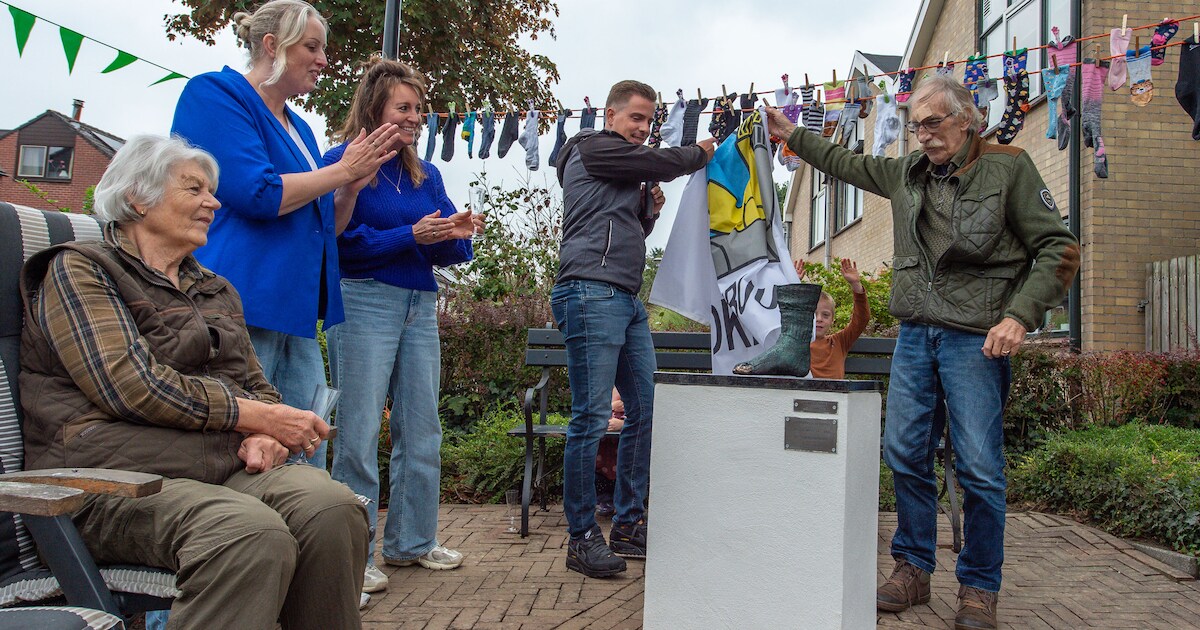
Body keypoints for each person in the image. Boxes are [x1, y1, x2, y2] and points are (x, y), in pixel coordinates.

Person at [765, 73, 1080, 629]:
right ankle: (913, 568)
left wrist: (1019, 316)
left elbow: (1058, 246)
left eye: (933, 123)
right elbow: (845, 164)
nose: (924, 136)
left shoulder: (1010, 168)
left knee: (980, 469)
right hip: (915, 335)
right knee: (904, 453)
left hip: (975, 339)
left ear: (968, 119)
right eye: (916, 126)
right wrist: (792, 132)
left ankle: (979, 589)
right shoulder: (906, 173)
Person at [18, 134, 369, 629]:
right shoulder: (80, 270)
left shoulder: (213, 287)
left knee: (331, 508)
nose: (214, 202)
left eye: (212, 190)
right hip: (107, 482)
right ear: (138, 198)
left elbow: (257, 386)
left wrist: (268, 432)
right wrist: (256, 417)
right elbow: (129, 383)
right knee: (246, 533)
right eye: (194, 188)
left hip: (215, 471)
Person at [170, 0, 401, 468]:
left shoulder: (301, 131)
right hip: (239, 308)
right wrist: (340, 172)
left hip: (294, 317)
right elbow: (258, 193)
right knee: (236, 452)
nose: (323, 59)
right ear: (272, 46)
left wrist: (349, 190)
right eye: (312, 47)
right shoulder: (216, 95)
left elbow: (324, 229)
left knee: (308, 449)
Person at [323, 57, 482, 594]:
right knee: (360, 430)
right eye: (404, 107)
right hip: (363, 300)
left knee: (422, 428)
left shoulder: (425, 173)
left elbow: (446, 248)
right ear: (375, 109)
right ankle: (354, 555)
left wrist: (457, 233)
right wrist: (411, 236)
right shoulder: (340, 164)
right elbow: (341, 246)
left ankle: (412, 542)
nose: (416, 117)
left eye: (419, 108)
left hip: (419, 304)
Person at [553, 79, 715, 578]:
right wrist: (697, 152)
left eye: (649, 121)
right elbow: (661, 163)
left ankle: (628, 524)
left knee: (645, 408)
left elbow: (621, 226)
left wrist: (648, 214)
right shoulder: (590, 148)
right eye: (636, 119)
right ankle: (581, 537)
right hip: (588, 291)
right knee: (590, 417)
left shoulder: (625, 167)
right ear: (611, 115)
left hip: (624, 297)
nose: (644, 130)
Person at [794, 258, 871, 379]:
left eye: (825, 315)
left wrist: (856, 285)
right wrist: (792, 281)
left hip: (836, 396)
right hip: (806, 395)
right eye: (813, 314)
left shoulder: (840, 342)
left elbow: (861, 319)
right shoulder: (795, 343)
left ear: (832, 320)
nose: (819, 319)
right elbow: (779, 316)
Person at [594, 389, 625, 517]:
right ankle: (604, 499)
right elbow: (594, 409)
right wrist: (611, 407)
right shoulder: (604, 386)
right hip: (603, 447)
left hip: (620, 447)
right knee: (598, 470)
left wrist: (622, 424)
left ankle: (621, 500)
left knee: (623, 469)